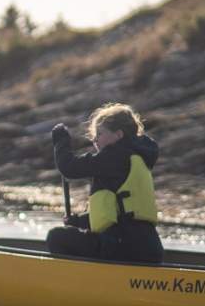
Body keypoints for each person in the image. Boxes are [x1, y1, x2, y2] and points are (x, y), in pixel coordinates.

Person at [46, 102, 164, 263]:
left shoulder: (115, 156)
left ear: (119, 135)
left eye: (100, 134)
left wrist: (61, 142)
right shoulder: (139, 157)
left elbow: (69, 167)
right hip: (149, 249)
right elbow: (117, 212)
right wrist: (78, 222)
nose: (95, 140)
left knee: (56, 237)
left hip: (123, 248)